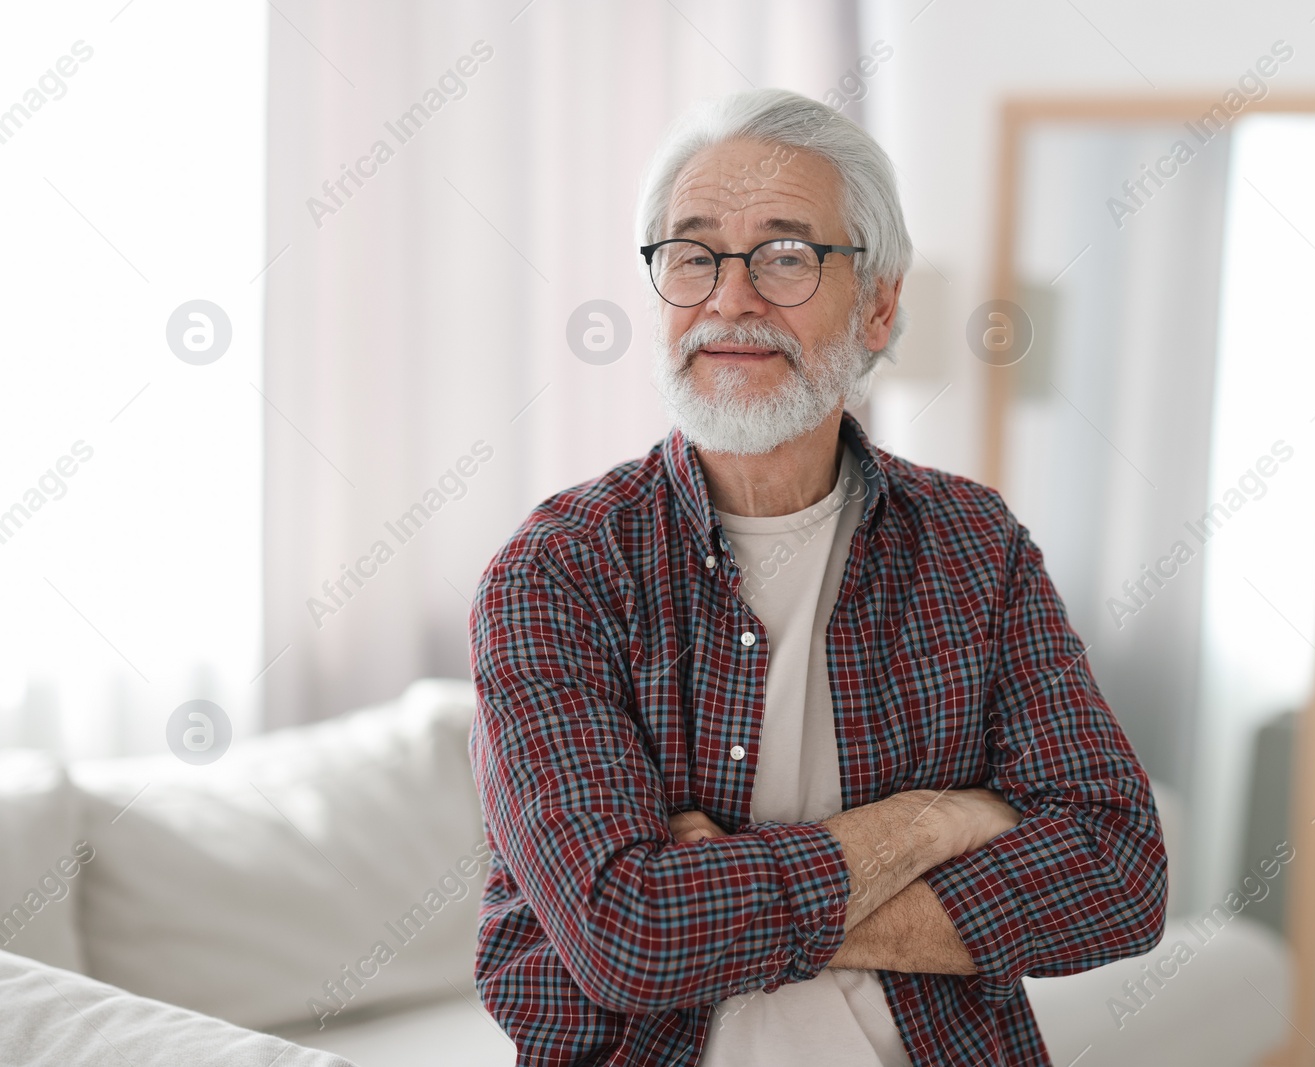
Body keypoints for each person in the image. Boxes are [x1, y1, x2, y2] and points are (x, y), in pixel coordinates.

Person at [468, 86, 1167, 1066]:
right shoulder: (560, 571)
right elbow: (626, 934)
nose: (730, 298)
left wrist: (721, 901)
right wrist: (924, 823)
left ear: (878, 302)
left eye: (786, 255)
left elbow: (1117, 875)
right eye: (693, 254)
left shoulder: (972, 545)